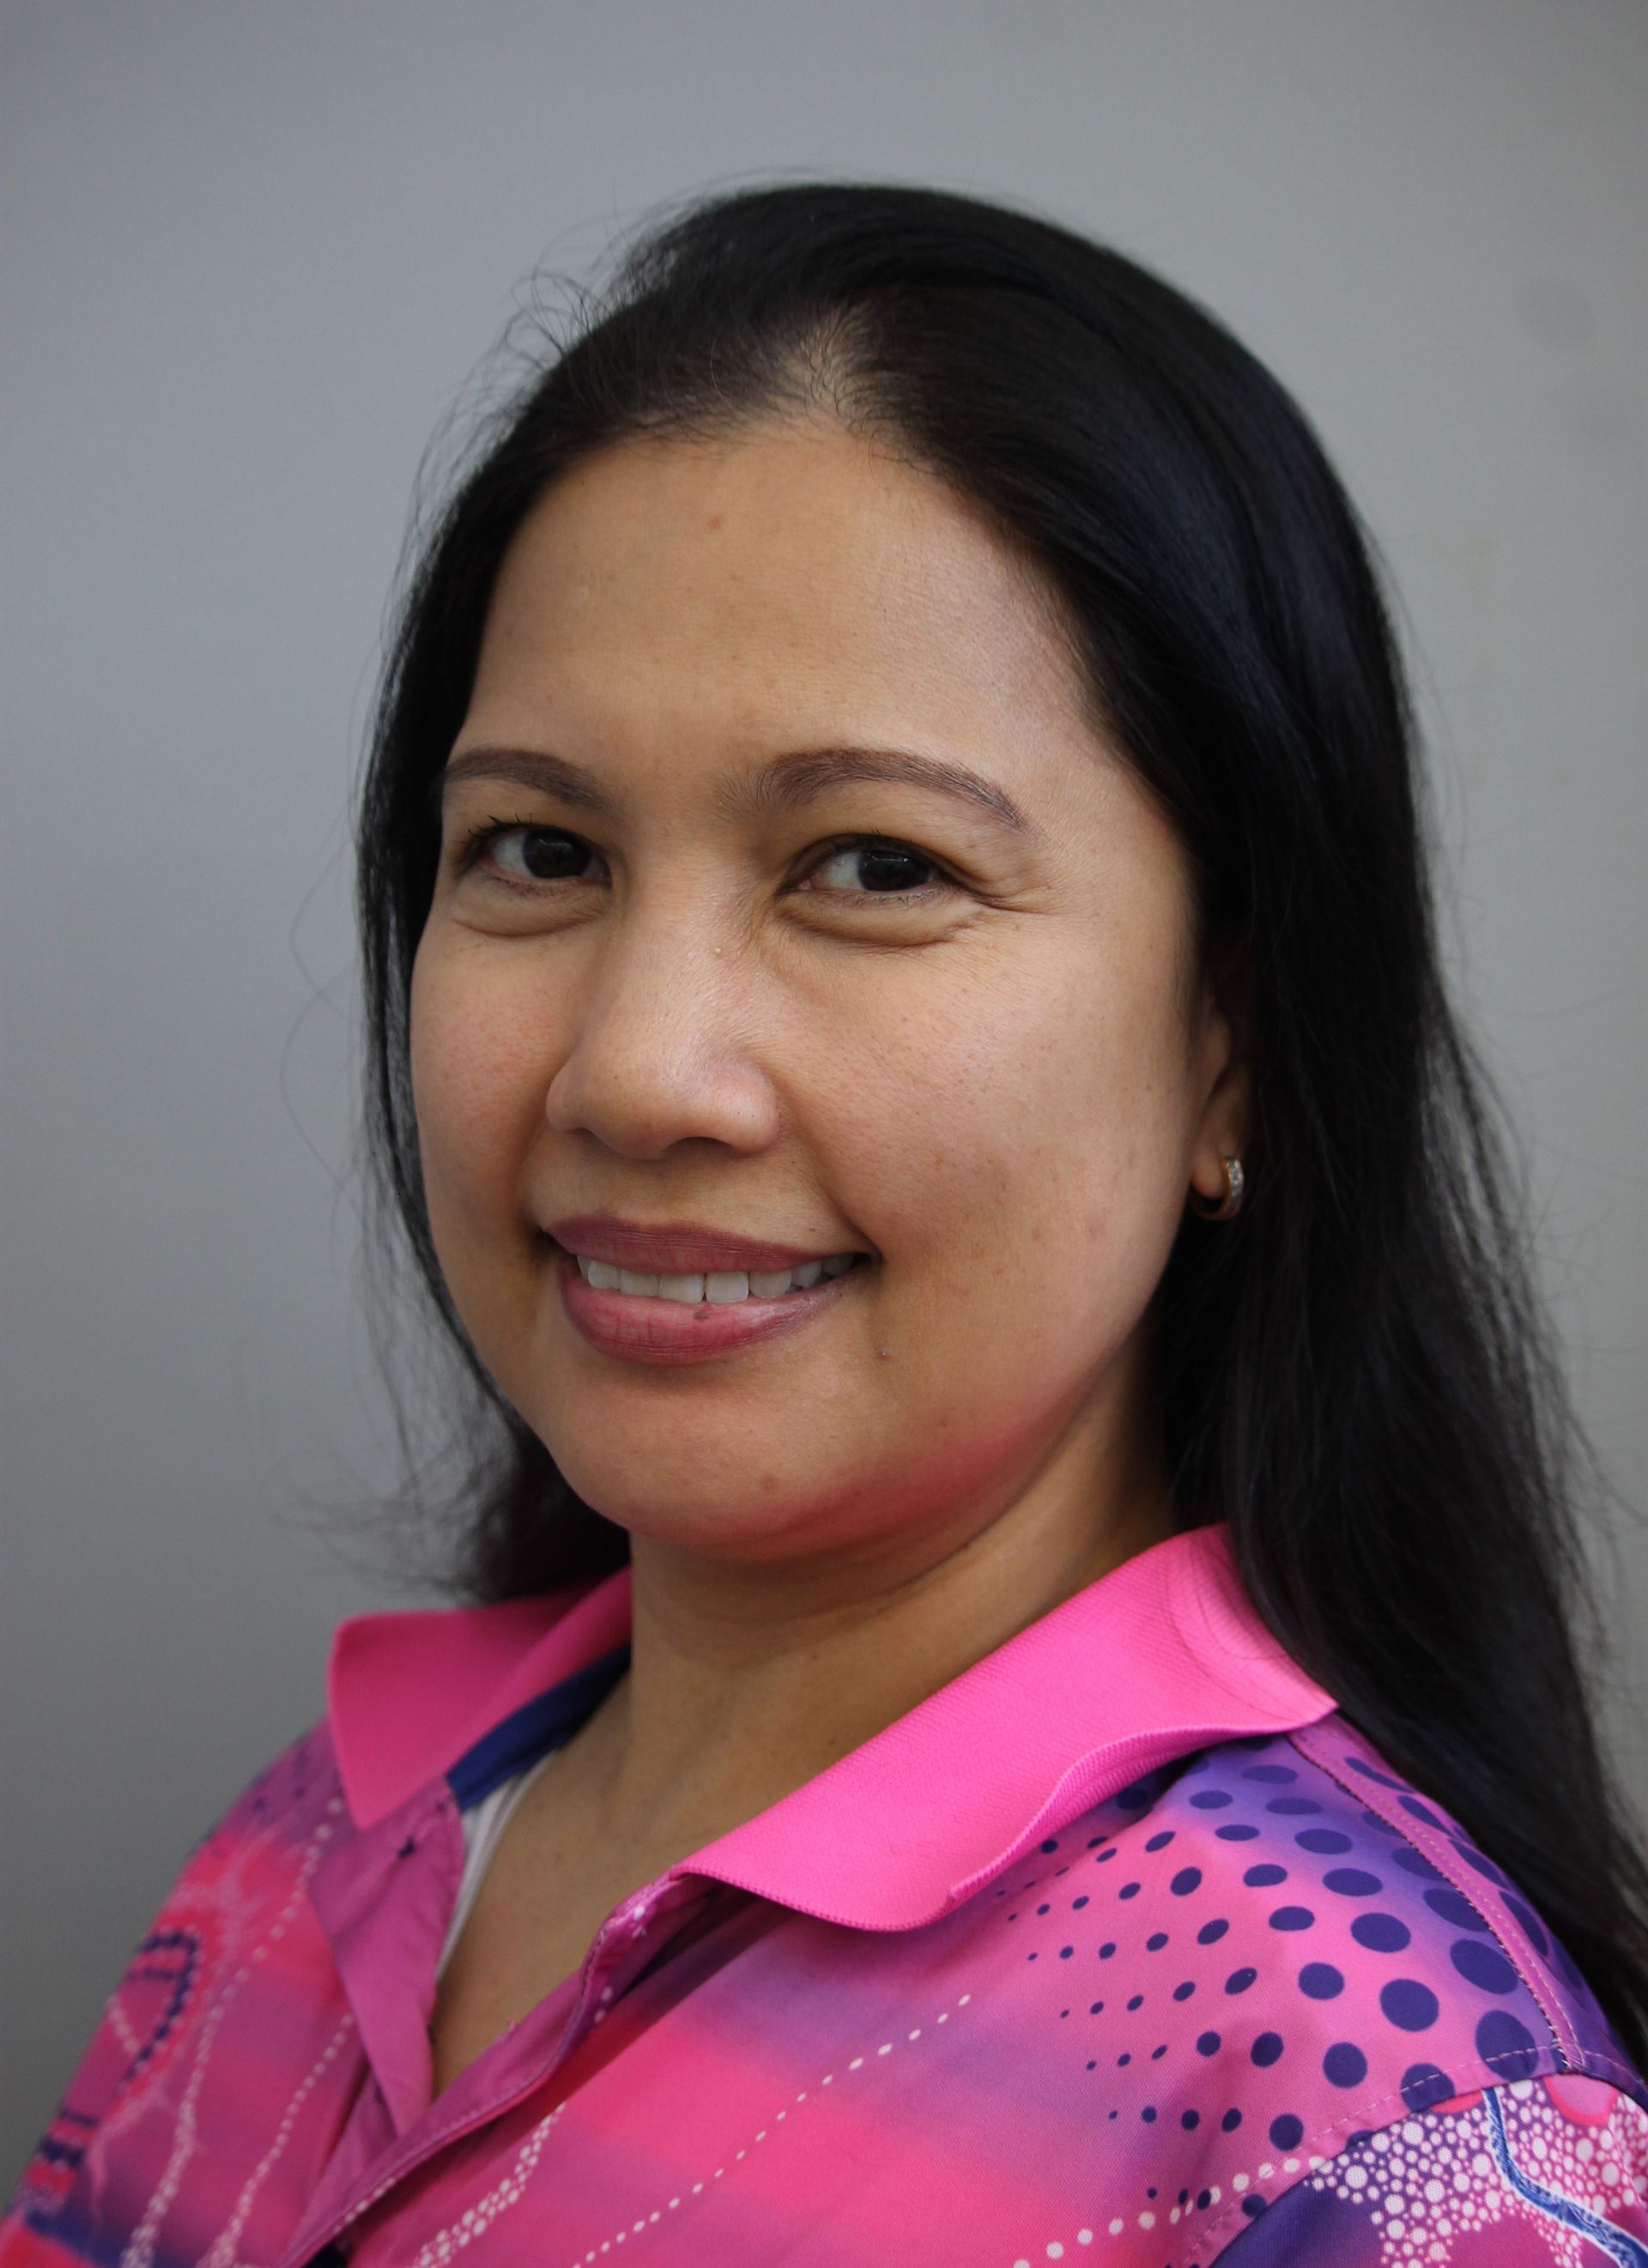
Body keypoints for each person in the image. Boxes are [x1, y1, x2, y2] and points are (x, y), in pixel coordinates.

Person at [5, 179, 1646, 2268]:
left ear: (1236, 1042)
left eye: (872, 866)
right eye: (537, 848)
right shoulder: (322, 1834)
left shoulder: (1371, 2109)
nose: (636, 1070)